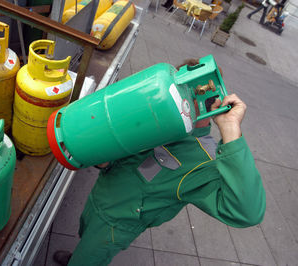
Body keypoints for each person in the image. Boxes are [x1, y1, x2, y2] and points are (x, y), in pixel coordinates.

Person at [53, 59, 266, 266]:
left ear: (203, 102)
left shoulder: (203, 160)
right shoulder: (156, 117)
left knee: (90, 258)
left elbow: (247, 211)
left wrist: (229, 128)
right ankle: (77, 256)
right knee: (84, 235)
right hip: (99, 197)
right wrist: (104, 160)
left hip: (117, 224)